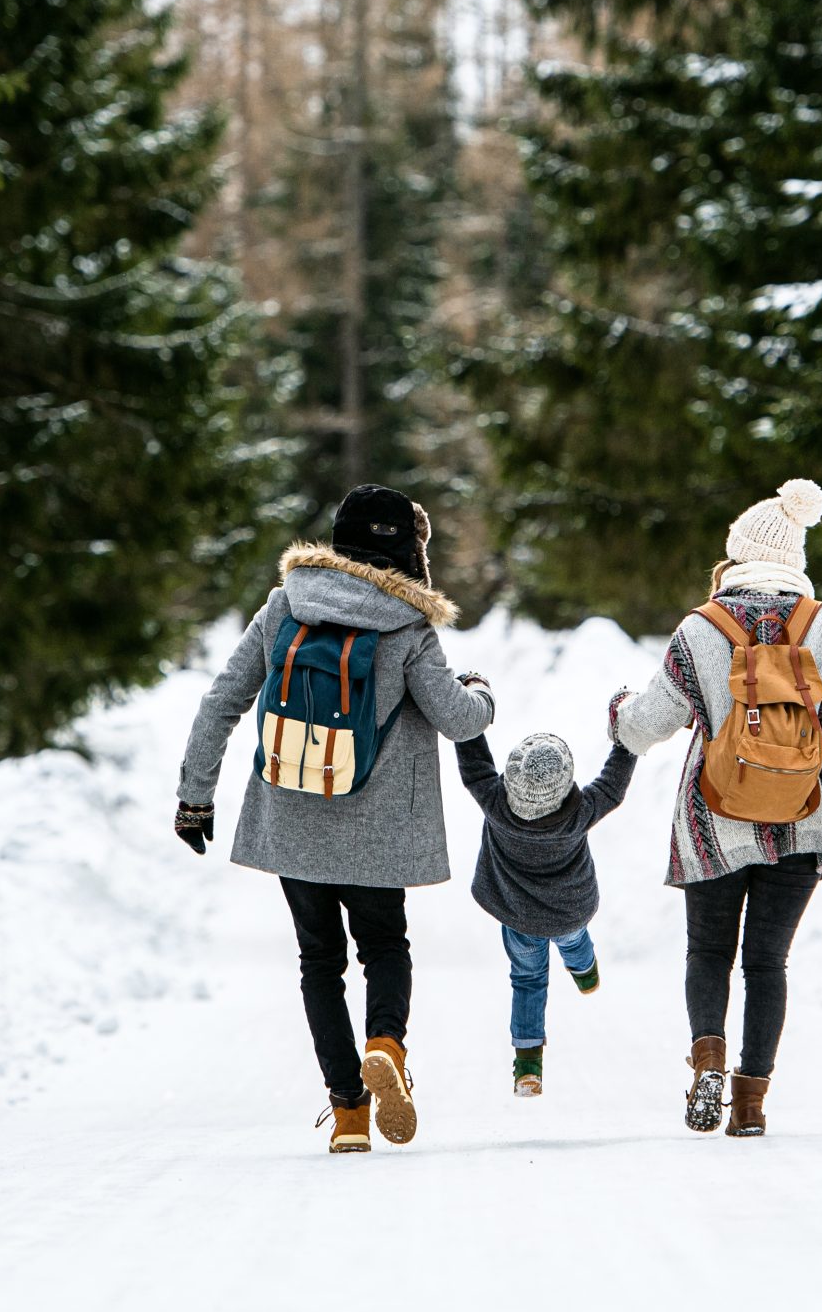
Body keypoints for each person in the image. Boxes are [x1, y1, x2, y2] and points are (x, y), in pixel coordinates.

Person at [172, 485, 497, 1154]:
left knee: (319, 960)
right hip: (379, 830)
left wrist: (195, 797)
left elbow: (221, 700)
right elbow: (458, 718)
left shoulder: (286, 602)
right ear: (409, 549)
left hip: (294, 818)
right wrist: (481, 691)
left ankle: (348, 1112)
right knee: (383, 947)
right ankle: (386, 1046)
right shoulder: (408, 624)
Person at [610, 477, 822, 1137]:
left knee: (708, 952)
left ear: (738, 554)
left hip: (712, 821)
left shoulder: (701, 628)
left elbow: (649, 723)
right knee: (767, 963)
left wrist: (619, 718)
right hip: (802, 821)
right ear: (795, 560)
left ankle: (708, 1061)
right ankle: (749, 1104)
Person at [450, 730, 637, 1096]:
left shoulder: (494, 803)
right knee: (575, 941)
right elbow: (612, 786)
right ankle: (585, 973)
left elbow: (475, 765)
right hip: (570, 912)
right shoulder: (580, 813)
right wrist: (626, 740)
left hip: (520, 920)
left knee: (528, 981)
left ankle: (528, 1066)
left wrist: (467, 706)